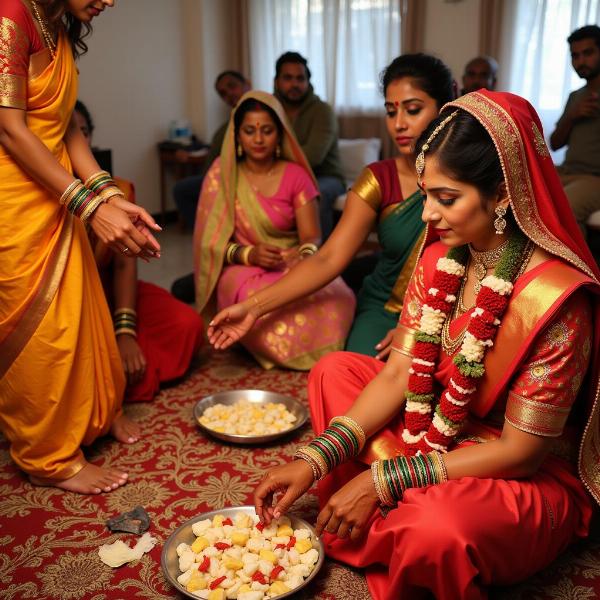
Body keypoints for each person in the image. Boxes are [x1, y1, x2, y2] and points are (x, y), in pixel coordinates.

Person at [252, 90, 600, 600]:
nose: (428, 215)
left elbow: (522, 452)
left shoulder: (558, 300)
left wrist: (384, 480)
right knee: (334, 372)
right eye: (425, 195)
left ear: (503, 194)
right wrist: (315, 459)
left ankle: (391, 517)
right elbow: (398, 375)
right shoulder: (442, 258)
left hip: (515, 470)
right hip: (436, 430)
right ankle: (382, 511)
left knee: (435, 528)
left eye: (447, 198)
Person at [0, 0, 162, 495]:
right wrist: (88, 206)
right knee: (43, 333)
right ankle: (47, 455)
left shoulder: (60, 27)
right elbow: (9, 127)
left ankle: (95, 413)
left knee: (79, 312)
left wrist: (109, 195)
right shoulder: (10, 15)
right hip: (16, 198)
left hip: (58, 190)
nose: (110, 0)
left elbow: (68, 128)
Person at [207, 54, 455, 358]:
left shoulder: (471, 179)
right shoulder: (379, 179)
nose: (399, 124)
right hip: (387, 309)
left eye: (413, 110)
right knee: (356, 377)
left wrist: (417, 328)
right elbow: (327, 260)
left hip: (452, 311)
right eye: (391, 112)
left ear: (445, 107)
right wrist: (252, 308)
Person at [194, 90, 355, 369]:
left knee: (339, 295)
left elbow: (311, 236)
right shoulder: (222, 174)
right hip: (242, 268)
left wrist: (303, 255)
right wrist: (249, 255)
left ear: (279, 134)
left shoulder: (296, 175)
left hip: (290, 262)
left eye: (267, 130)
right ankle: (263, 342)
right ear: (237, 135)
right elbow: (208, 244)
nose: (258, 139)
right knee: (251, 302)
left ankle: (284, 348)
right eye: (249, 131)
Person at [74, 100, 203, 402]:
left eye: (83, 132)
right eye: (69, 134)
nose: (77, 141)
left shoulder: (117, 190)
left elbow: (123, 265)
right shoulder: (35, 195)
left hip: (112, 290)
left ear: (91, 137)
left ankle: (121, 374)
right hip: (69, 304)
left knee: (188, 326)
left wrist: (125, 332)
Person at [274, 52, 345, 239]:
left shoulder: (322, 111)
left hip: (325, 177)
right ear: (276, 82)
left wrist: (273, 156)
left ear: (308, 82)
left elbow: (312, 157)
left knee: (313, 194)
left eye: (300, 78)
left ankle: (322, 260)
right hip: (282, 175)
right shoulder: (270, 109)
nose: (294, 84)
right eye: (288, 78)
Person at [173, 70, 251, 231]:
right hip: (215, 176)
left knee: (183, 189)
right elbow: (216, 147)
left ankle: (209, 234)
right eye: (223, 93)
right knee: (184, 189)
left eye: (232, 86)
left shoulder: (257, 114)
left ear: (247, 84)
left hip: (236, 176)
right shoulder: (229, 122)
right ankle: (207, 235)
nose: (229, 93)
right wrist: (192, 151)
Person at [550, 25, 600, 236]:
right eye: (575, 55)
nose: (580, 61)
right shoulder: (575, 97)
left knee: (565, 209)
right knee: (517, 189)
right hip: (567, 171)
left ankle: (579, 270)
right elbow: (555, 143)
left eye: (587, 53)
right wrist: (572, 115)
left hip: (594, 178)